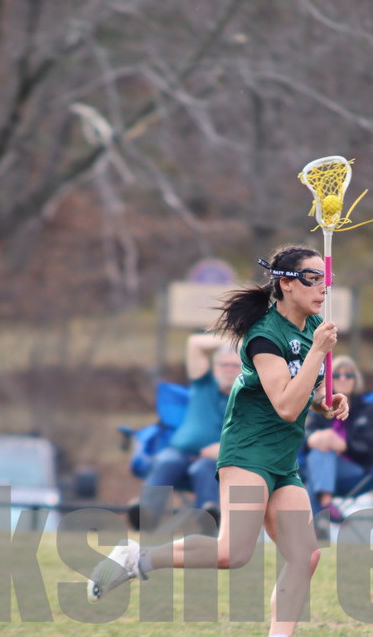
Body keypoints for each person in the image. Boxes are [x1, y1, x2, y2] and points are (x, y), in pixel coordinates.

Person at [89, 245, 349, 637]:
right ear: (286, 284)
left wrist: (324, 401)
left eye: (325, 280)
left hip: (283, 458)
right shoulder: (263, 336)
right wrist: (318, 352)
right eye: (312, 279)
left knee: (305, 556)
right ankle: (136, 558)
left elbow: (302, 394)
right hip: (248, 453)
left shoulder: (314, 328)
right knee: (233, 553)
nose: (322, 288)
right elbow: (284, 406)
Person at [136, 334, 240, 529]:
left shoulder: (249, 397)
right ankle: (146, 515)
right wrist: (236, 341)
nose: (229, 370)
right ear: (214, 368)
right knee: (167, 460)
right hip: (180, 453)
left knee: (204, 469)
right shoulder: (203, 383)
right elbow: (195, 343)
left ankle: (208, 517)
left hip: (217, 461)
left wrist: (225, 451)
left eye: (235, 366)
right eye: (224, 365)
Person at [302, 355, 373, 524]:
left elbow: (371, 448)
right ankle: (324, 509)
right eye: (337, 375)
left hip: (355, 470)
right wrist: (312, 440)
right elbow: (304, 436)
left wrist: (343, 445)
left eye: (348, 375)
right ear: (329, 380)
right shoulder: (322, 408)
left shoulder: (368, 411)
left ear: (356, 379)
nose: (343, 379)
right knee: (319, 455)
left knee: (318, 461)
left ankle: (320, 512)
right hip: (320, 468)